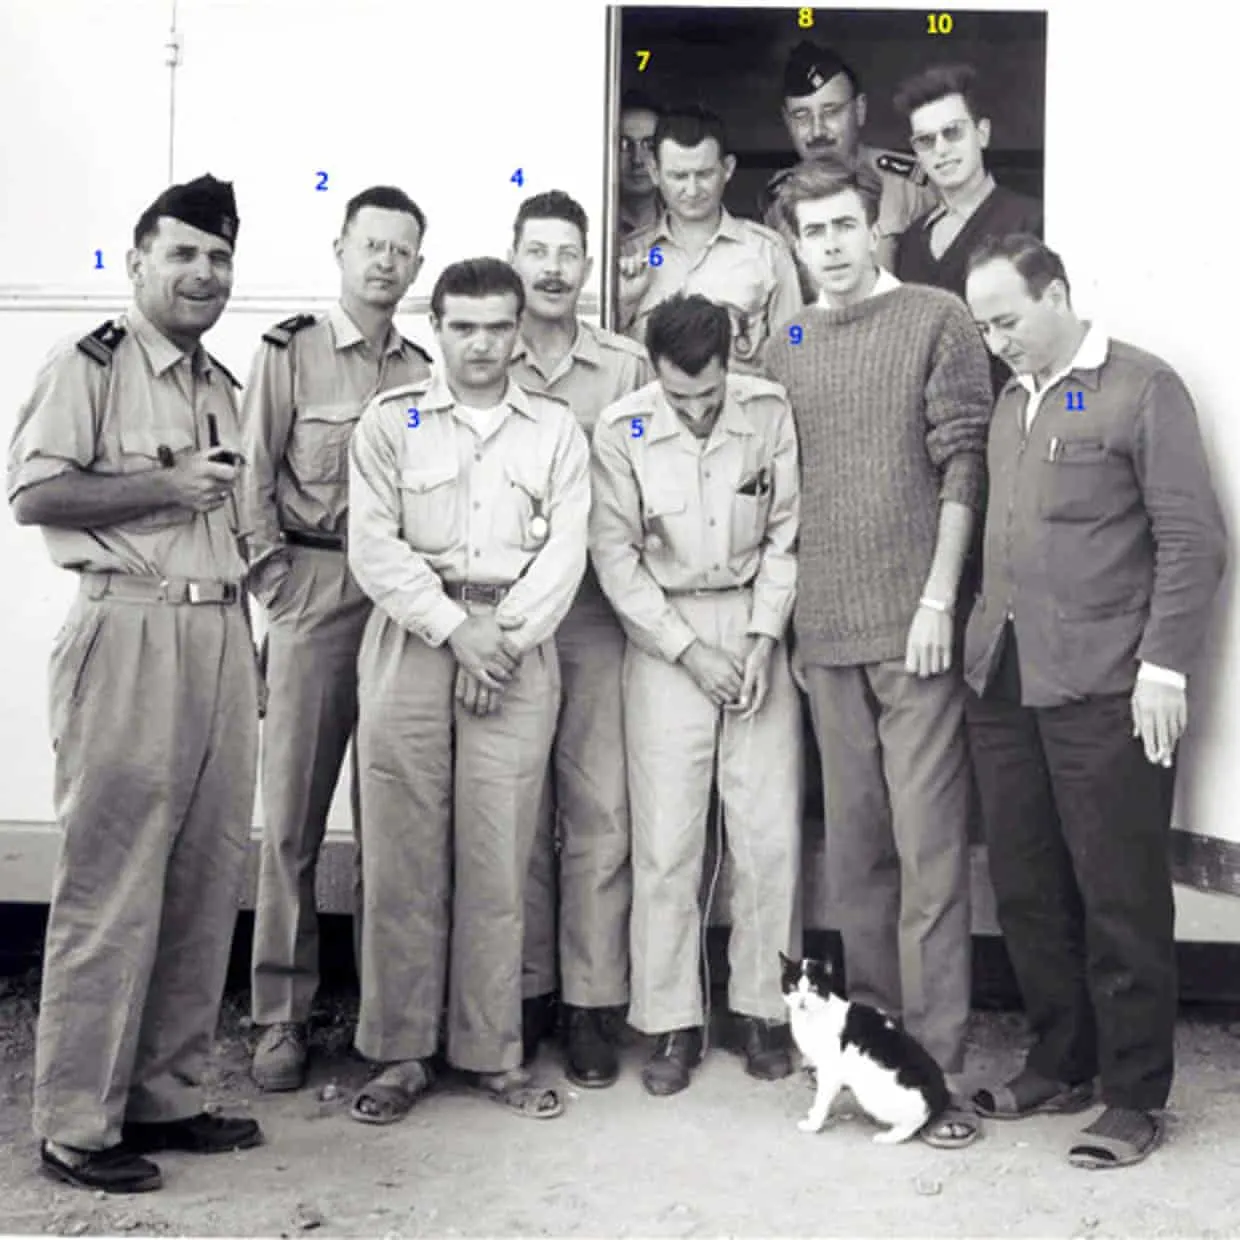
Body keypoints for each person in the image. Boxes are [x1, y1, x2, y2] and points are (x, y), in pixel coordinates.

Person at [7, 174, 263, 1194]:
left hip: (218, 632)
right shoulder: (91, 366)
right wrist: (164, 482)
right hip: (129, 627)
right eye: (183, 255)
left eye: (217, 258)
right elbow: (33, 493)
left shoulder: (220, 381)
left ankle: (167, 1094)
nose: (202, 274)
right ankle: (76, 1119)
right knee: (111, 882)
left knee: (204, 877)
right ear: (137, 262)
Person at [963, 234, 1227, 1169]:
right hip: (1005, 681)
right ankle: (1060, 1060)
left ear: (1058, 294)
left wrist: (1164, 667)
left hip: (1108, 687)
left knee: (1119, 896)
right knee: (1029, 888)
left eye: (1008, 319)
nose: (997, 341)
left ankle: (1132, 1095)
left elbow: (1194, 540)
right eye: (985, 326)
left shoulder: (1141, 389)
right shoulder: (1009, 400)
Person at [763, 164, 993, 1149]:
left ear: (874, 225)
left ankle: (934, 1053)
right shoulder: (788, 342)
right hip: (826, 636)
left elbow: (964, 464)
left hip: (916, 631)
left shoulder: (937, 318)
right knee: (853, 853)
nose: (831, 243)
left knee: (929, 850)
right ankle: (870, 1037)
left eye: (846, 223)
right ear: (795, 240)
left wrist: (939, 597)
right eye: (812, 230)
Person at [345, 257, 591, 1124]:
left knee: (501, 852)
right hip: (416, 643)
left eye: (497, 326)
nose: (482, 344)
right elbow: (372, 546)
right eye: (463, 327)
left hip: (516, 648)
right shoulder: (391, 423)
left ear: (519, 329)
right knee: (404, 853)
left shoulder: (556, 432)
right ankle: (401, 1054)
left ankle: (491, 1052)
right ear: (437, 328)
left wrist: (503, 642)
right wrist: (458, 634)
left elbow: (566, 550)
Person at [241, 185, 433, 1094]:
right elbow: (253, 473)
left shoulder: (425, 371)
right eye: (373, 245)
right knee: (292, 822)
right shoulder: (291, 352)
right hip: (312, 591)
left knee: (393, 819)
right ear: (341, 249)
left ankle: (386, 1017)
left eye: (403, 250)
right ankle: (279, 1018)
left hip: (395, 600)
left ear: (418, 265)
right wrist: (273, 580)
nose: (386, 262)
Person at [591, 292, 803, 1098]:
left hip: (752, 622)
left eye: (710, 393)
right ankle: (672, 1019)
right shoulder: (624, 430)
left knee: (767, 831)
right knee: (668, 839)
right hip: (664, 637)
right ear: (654, 372)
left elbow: (786, 532)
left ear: (730, 361)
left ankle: (763, 1011)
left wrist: (759, 640)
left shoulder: (768, 411)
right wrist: (688, 651)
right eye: (681, 397)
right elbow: (615, 559)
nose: (698, 409)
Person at [507, 191, 653, 1086]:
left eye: (569, 253)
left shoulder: (627, 367)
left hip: (598, 614)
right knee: (519, 812)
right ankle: (524, 991)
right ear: (515, 257)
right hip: (518, 616)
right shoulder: (486, 355)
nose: (554, 268)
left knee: (600, 810)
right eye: (538, 252)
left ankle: (593, 1002)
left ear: (589, 263)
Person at [617, 105, 801, 375]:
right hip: (652, 415)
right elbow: (609, 362)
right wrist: (625, 306)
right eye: (678, 176)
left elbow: (795, 346)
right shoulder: (628, 256)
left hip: (742, 412)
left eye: (704, 175)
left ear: (727, 169)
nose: (692, 190)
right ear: (654, 172)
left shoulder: (767, 252)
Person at [893, 64, 1042, 393]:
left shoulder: (1030, 221)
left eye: (953, 132)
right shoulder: (911, 241)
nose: (941, 149)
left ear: (982, 133)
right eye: (926, 140)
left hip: (1008, 416)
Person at [761, 39, 938, 287]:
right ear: (787, 121)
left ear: (860, 110)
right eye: (801, 116)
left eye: (831, 112)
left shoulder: (911, 184)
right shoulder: (778, 200)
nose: (816, 131)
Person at [618, 89, 663, 240]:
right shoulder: (592, 225)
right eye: (624, 145)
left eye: (649, 145)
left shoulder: (683, 225)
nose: (637, 159)